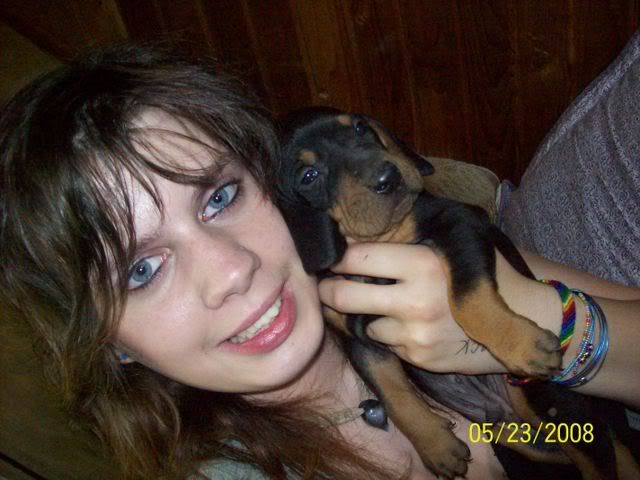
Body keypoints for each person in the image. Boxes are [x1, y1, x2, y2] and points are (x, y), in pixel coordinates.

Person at [0, 44, 638, 480]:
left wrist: (538, 317)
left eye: (220, 197)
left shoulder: (412, 250)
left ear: (269, 185)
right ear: (107, 341)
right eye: (141, 270)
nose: (231, 271)